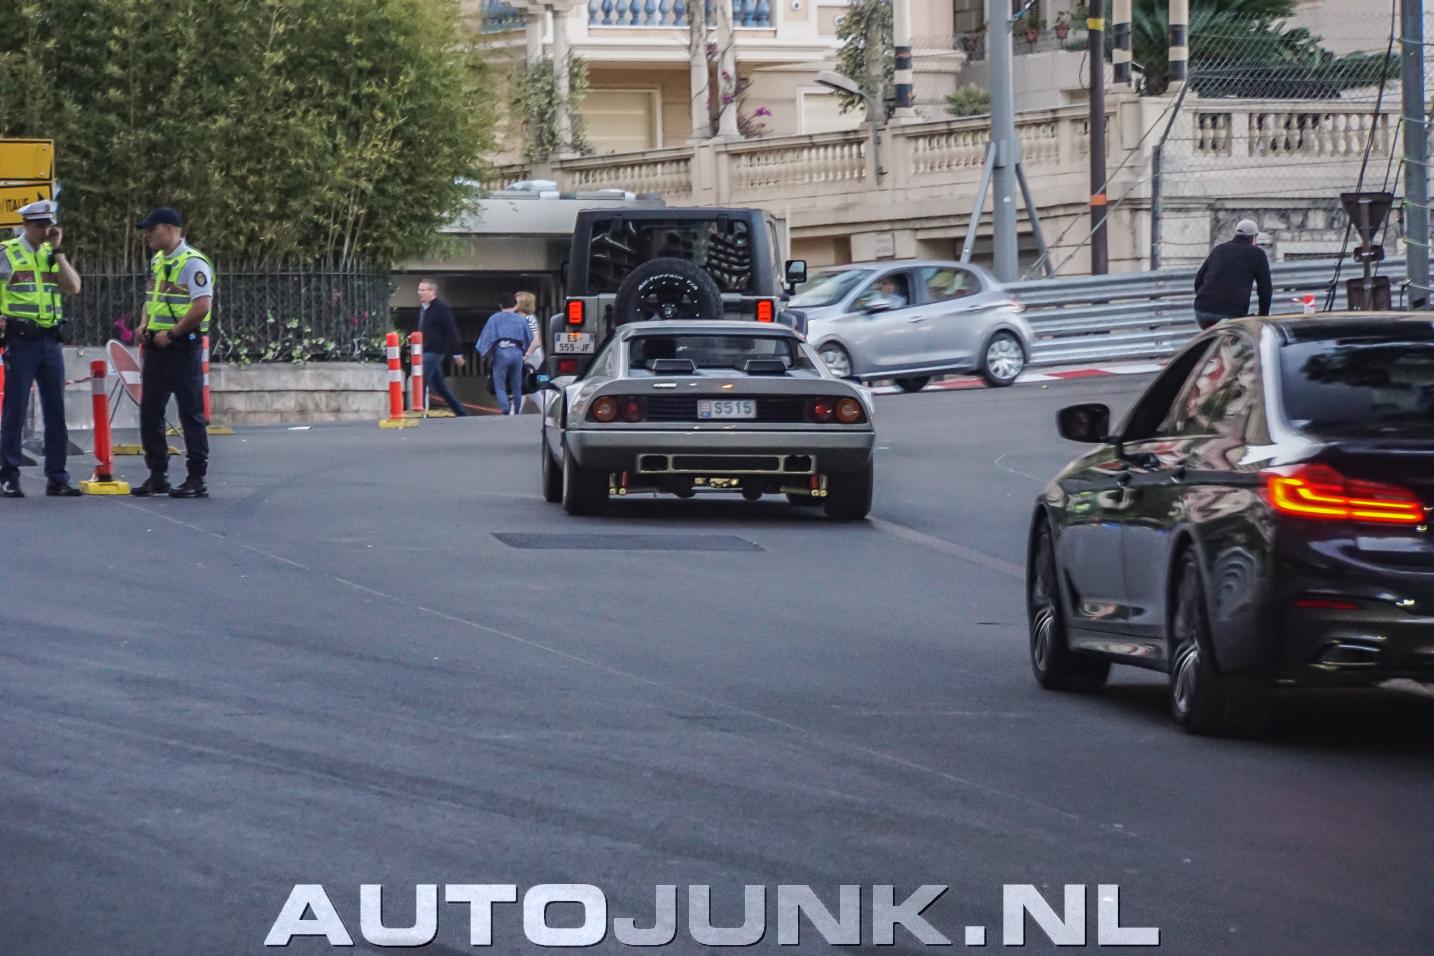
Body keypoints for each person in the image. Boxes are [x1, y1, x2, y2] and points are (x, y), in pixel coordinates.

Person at [0, 199, 83, 498]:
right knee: (15, 410)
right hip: (20, 340)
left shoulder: (51, 254)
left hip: (50, 340)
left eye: (48, 225)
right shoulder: (8, 253)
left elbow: (73, 287)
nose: (44, 231)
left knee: (56, 410)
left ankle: (57, 477)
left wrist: (59, 252)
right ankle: (8, 477)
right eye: (39, 225)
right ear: (25, 225)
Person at [130, 207, 213, 499]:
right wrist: (144, 324)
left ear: (168, 228)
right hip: (156, 346)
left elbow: (202, 306)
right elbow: (151, 298)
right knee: (150, 411)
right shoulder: (157, 261)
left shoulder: (193, 263)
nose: (148, 236)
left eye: (151, 230)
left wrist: (173, 334)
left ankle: (196, 477)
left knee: (190, 412)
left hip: (182, 347)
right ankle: (157, 474)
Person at [1194, 219, 1273, 330]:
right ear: (1254, 237)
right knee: (1235, 338)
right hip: (1231, 314)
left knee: (1213, 337)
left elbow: (1198, 281)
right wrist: (1263, 317)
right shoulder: (1257, 254)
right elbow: (1265, 289)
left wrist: (1208, 301)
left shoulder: (1219, 249)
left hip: (1202, 311)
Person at [416, 278, 468, 416]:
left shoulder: (441, 309)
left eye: (423, 290)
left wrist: (457, 353)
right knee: (440, 386)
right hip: (425, 349)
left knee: (420, 380)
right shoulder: (423, 309)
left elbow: (451, 330)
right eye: (419, 290)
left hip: (435, 350)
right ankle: (461, 412)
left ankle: (418, 411)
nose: (419, 292)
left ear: (432, 292)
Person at [476, 293, 532, 415]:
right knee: (516, 384)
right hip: (517, 352)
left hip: (500, 352)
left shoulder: (494, 319)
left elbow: (485, 339)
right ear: (515, 305)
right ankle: (516, 411)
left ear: (500, 305)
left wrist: (485, 354)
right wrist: (524, 351)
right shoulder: (521, 319)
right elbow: (529, 337)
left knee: (499, 384)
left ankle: (505, 407)